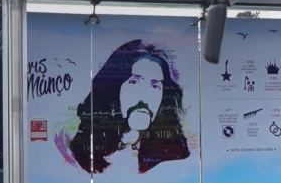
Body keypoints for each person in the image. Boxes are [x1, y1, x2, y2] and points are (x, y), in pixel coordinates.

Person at [66, 39, 191, 175]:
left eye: (155, 86)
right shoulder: (84, 150)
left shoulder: (172, 151)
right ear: (114, 89)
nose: (144, 97)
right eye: (134, 82)